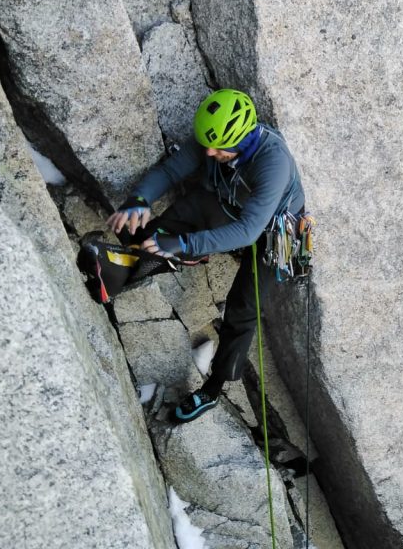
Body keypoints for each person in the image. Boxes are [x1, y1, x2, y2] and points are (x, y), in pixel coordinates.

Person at [107, 88, 305, 422]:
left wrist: (185, 244)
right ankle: (127, 266)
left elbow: (247, 232)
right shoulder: (213, 138)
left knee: (243, 308)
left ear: (241, 139)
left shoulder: (273, 163)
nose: (210, 152)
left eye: (219, 148)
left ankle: (213, 388)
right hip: (230, 204)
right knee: (158, 229)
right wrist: (139, 198)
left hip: (273, 232)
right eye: (207, 145)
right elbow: (170, 172)